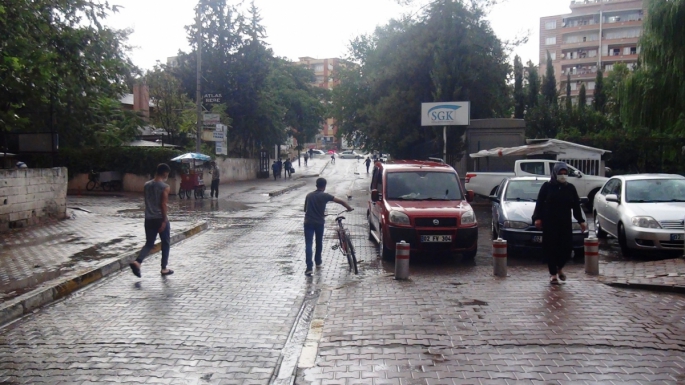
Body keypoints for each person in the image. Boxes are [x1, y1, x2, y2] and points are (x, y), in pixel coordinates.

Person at [532, 162, 587, 285]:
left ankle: (560, 267)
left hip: (565, 223)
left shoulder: (570, 188)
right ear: (555, 174)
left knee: (566, 248)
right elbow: (539, 203)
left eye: (565, 173)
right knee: (551, 248)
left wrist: (581, 221)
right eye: (560, 173)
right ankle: (553, 274)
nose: (562, 176)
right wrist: (537, 218)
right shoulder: (547, 187)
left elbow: (576, 206)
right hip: (550, 223)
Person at [129, 163, 173, 277]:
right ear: (165, 173)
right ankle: (164, 268)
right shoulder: (165, 187)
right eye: (167, 173)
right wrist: (164, 221)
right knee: (166, 243)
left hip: (148, 218)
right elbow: (163, 204)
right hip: (159, 218)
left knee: (149, 243)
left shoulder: (146, 185)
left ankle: (137, 262)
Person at [303, 177, 353, 276]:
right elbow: (340, 201)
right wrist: (349, 207)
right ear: (324, 186)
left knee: (308, 244)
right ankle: (318, 262)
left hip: (308, 222)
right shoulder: (325, 196)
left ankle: (309, 267)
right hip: (319, 223)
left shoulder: (309, 195)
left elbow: (305, 209)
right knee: (319, 242)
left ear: (316, 185)